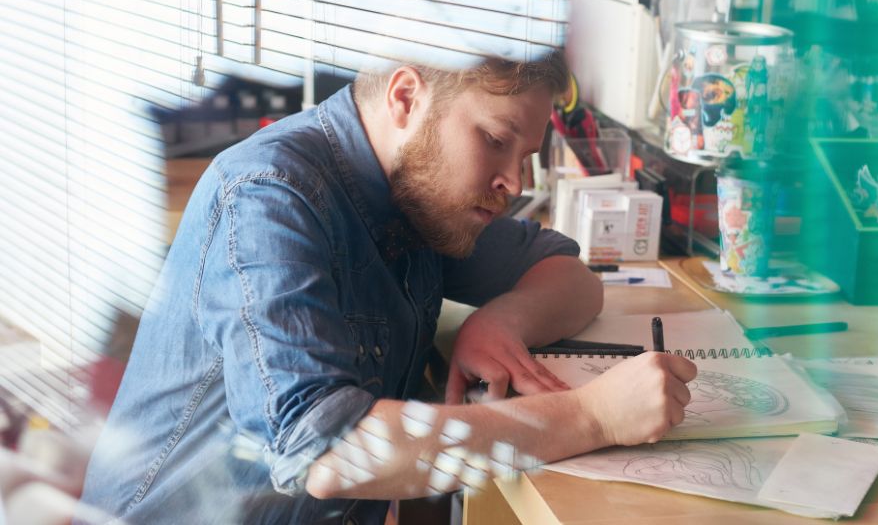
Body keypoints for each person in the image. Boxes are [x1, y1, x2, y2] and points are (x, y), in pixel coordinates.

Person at [77, 52, 697, 524]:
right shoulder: (270, 195)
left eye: (528, 153)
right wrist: (590, 415)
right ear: (406, 97)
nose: (514, 179)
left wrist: (504, 320)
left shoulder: (422, 192)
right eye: (495, 140)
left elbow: (569, 275)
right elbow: (331, 454)